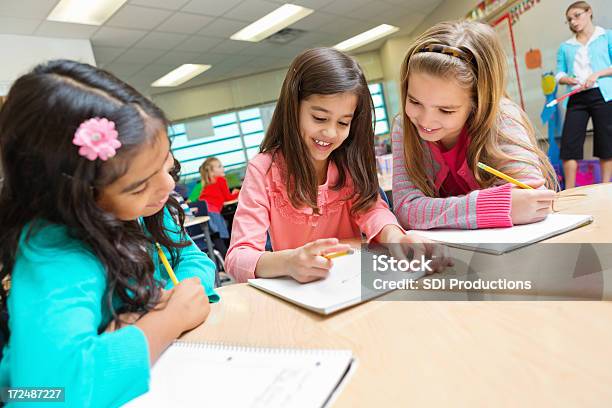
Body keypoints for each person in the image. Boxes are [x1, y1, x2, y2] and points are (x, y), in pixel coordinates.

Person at [0, 60, 218, 407]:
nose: (167, 185)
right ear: (79, 196)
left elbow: (194, 260)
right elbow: (45, 395)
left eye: (166, 162)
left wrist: (170, 300)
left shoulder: (147, 208)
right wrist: (166, 321)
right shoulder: (55, 250)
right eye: (138, 186)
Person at [226, 48, 449, 284]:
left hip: (350, 285)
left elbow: (372, 209)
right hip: (300, 292)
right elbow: (238, 257)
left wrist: (395, 237)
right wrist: (289, 262)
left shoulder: (348, 161)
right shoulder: (264, 169)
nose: (331, 133)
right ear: (293, 108)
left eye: (343, 122)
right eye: (320, 118)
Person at [392, 20, 557, 230]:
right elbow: (406, 210)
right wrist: (489, 206)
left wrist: (438, 211)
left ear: (478, 103)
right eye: (414, 101)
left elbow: (531, 201)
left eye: (446, 110)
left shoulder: (502, 116)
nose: (425, 121)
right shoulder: (404, 126)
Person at [556, 1, 612, 189]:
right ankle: (569, 191)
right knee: (569, 144)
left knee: (606, 141)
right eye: (569, 19)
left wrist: (597, 74)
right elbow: (559, 74)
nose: (573, 21)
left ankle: (606, 187)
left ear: (589, 13)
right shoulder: (565, 46)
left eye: (577, 15)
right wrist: (568, 80)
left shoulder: (606, 36)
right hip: (577, 96)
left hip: (602, 94)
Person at [197, 157, 239, 257]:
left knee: (214, 235)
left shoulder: (208, 183)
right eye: (219, 166)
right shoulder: (220, 180)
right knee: (221, 234)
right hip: (212, 211)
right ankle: (227, 259)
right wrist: (239, 192)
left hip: (203, 209)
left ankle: (221, 260)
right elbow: (228, 198)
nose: (222, 168)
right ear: (212, 171)